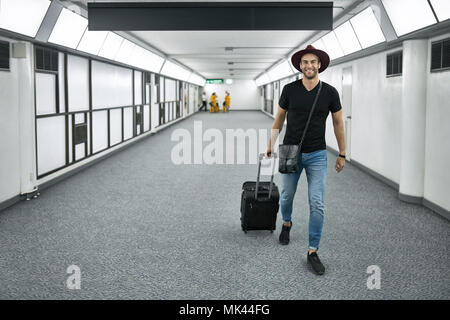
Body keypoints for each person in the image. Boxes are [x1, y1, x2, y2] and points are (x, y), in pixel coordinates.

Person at [265, 44, 346, 276]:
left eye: (313, 62)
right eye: (305, 62)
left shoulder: (330, 92)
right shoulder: (290, 90)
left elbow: (338, 123)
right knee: (287, 196)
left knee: (317, 203)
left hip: (317, 154)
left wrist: (342, 152)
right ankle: (287, 223)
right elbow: (279, 119)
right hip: (291, 150)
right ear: (300, 66)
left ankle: (313, 251)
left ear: (319, 65)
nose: (309, 65)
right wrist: (270, 144)